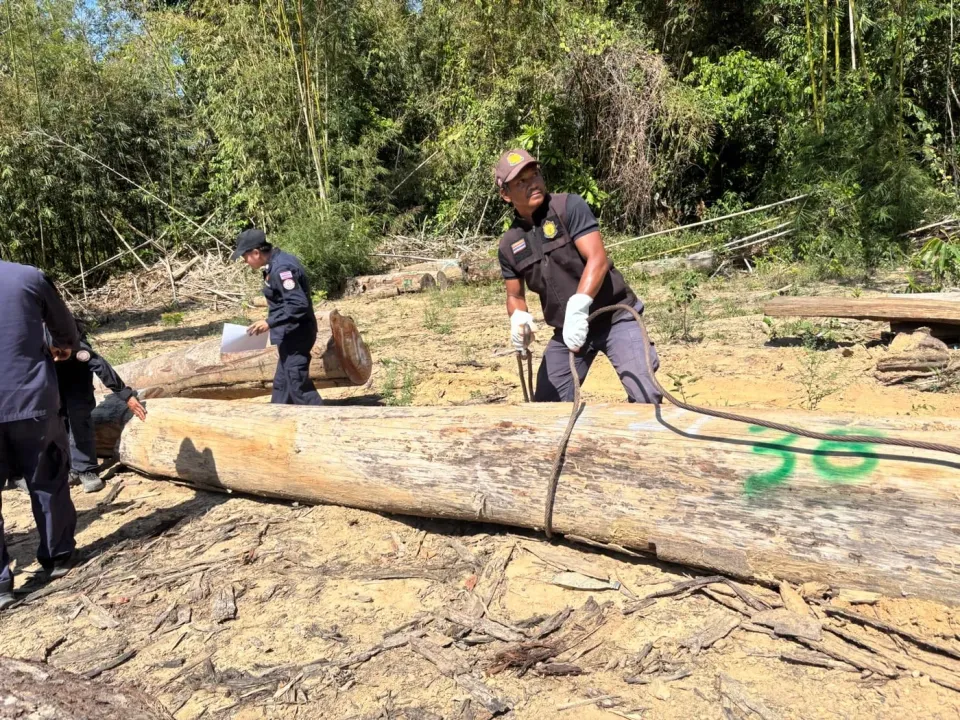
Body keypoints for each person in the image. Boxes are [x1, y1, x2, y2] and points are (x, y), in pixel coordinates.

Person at [494, 148, 662, 404]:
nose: (534, 184)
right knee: (545, 408)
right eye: (522, 182)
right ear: (505, 194)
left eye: (535, 175)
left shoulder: (568, 206)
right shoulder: (509, 244)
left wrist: (578, 305)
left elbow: (598, 259)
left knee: (646, 395)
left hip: (615, 316)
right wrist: (518, 318)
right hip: (567, 332)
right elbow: (515, 295)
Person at [0, 260, 80, 610]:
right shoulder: (27, 277)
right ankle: (58, 555)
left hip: (28, 398)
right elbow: (63, 326)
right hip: (30, 397)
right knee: (47, 477)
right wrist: (64, 346)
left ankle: (1, 586)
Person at [52, 319, 147, 493]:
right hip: (52, 384)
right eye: (54, 355)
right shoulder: (35, 344)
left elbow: (102, 367)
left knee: (79, 419)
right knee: (60, 421)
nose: (57, 358)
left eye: (60, 354)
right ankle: (71, 467)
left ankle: (87, 470)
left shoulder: (79, 349)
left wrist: (126, 396)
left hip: (77, 381)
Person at [231, 228, 323, 406]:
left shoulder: (282, 268)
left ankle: (324, 423)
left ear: (256, 253)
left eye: (244, 256)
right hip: (289, 334)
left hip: (297, 334)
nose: (244, 261)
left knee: (298, 386)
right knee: (283, 385)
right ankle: (276, 419)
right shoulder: (276, 263)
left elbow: (298, 305)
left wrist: (269, 322)